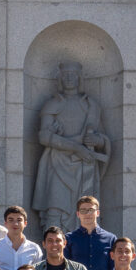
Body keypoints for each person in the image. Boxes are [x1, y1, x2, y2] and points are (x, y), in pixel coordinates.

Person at [32, 61, 110, 233]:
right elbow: (43, 136)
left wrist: (96, 141)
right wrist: (76, 147)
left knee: (85, 210)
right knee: (55, 209)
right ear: (60, 79)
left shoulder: (91, 106)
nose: (69, 78)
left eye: (72, 75)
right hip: (57, 164)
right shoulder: (52, 104)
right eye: (65, 75)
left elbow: (103, 139)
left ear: (79, 78)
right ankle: (53, 248)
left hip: (84, 166)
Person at [65, 196, 116, 270]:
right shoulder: (69, 238)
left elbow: (114, 268)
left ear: (98, 213)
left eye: (91, 210)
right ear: (78, 214)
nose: (87, 214)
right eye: (83, 210)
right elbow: (65, 267)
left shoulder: (111, 239)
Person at [0, 206, 43, 270]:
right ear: (5, 223)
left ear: (25, 223)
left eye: (19, 220)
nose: (15, 224)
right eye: (11, 220)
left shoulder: (35, 249)